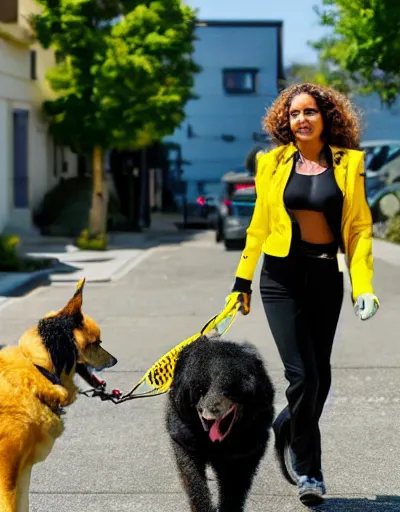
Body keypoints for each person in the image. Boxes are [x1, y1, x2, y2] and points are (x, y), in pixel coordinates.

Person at [225, 83, 380, 506]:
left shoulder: (350, 163)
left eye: (310, 112)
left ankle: (287, 425)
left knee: (320, 377)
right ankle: (310, 471)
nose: (302, 120)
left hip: (326, 276)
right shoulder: (272, 163)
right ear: (284, 120)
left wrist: (362, 286)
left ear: (326, 116)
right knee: (303, 376)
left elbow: (360, 227)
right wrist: (242, 278)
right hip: (281, 278)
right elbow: (258, 224)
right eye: (294, 114)